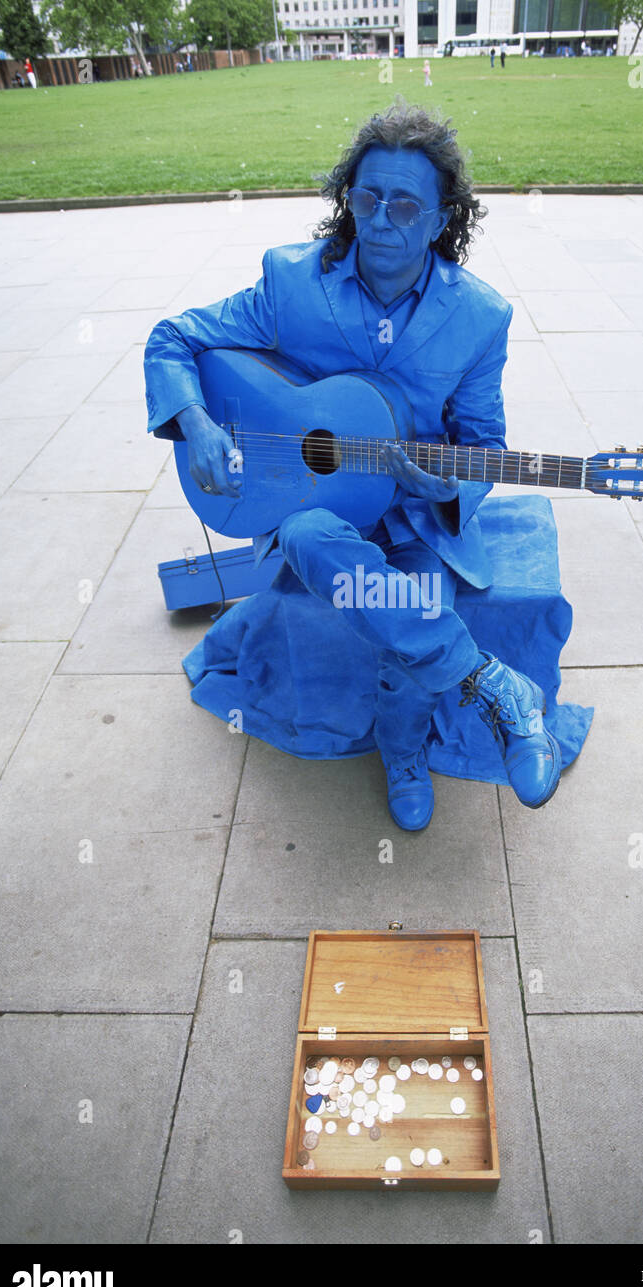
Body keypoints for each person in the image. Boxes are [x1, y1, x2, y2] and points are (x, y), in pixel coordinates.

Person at [144, 102, 563, 832]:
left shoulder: (478, 317)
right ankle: (492, 687)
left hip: (414, 516)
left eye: (404, 203)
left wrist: (450, 483)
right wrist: (197, 421)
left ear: (440, 220)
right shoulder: (291, 282)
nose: (379, 218)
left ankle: (402, 752)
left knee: (412, 614)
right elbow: (174, 338)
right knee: (307, 535)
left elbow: (485, 445)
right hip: (316, 505)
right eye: (366, 197)